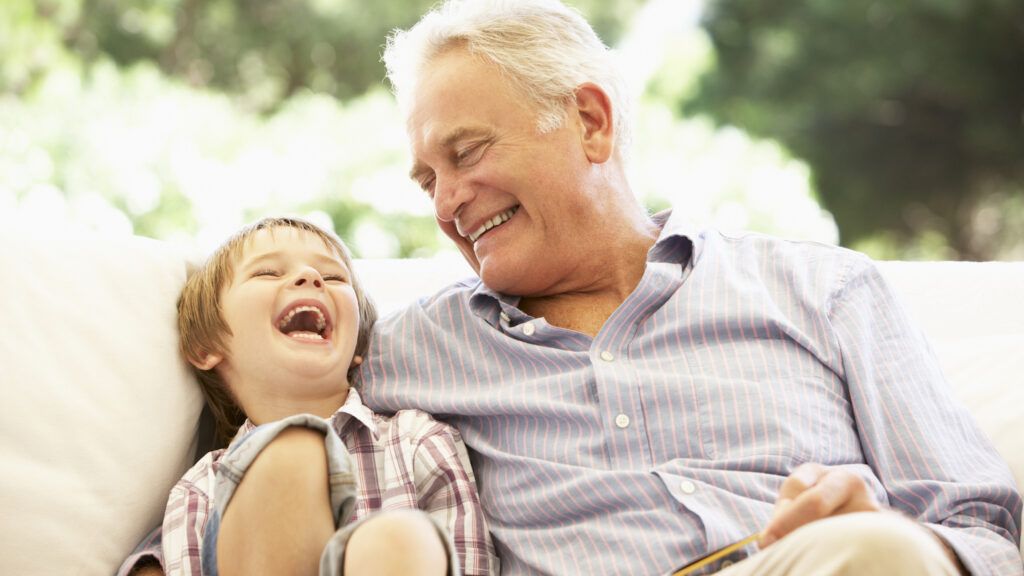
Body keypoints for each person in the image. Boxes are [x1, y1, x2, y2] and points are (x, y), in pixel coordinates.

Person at [126, 1, 1022, 574]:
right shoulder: (400, 351)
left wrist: (908, 544)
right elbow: (268, 446)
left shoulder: (823, 291)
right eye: (426, 180)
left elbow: (987, 524)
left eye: (466, 154)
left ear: (589, 122)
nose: (445, 201)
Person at [118, 217, 497, 576]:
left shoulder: (418, 440)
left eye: (333, 276)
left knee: (397, 540)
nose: (310, 277)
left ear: (359, 344)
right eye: (268, 272)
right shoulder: (202, 488)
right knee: (291, 456)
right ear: (206, 346)